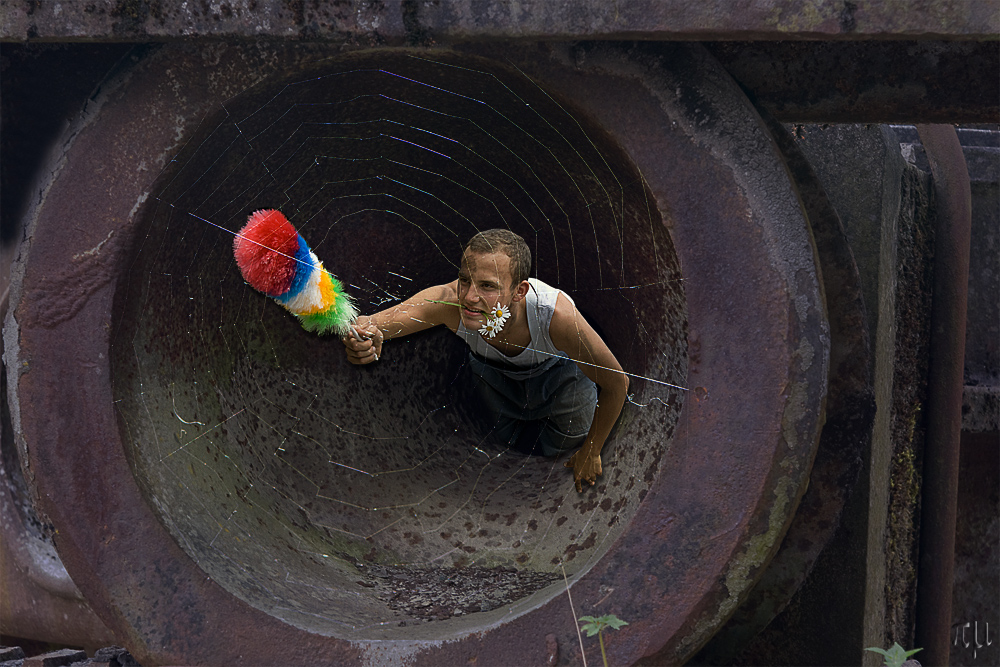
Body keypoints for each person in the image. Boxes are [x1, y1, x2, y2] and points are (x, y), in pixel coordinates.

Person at [341, 229, 628, 492]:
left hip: (561, 376)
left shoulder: (556, 318)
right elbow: (373, 323)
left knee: (565, 441)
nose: (469, 297)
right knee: (504, 437)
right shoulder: (449, 302)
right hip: (494, 375)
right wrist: (363, 338)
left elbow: (616, 382)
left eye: (487, 286)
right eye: (464, 280)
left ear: (519, 291)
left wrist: (591, 450)